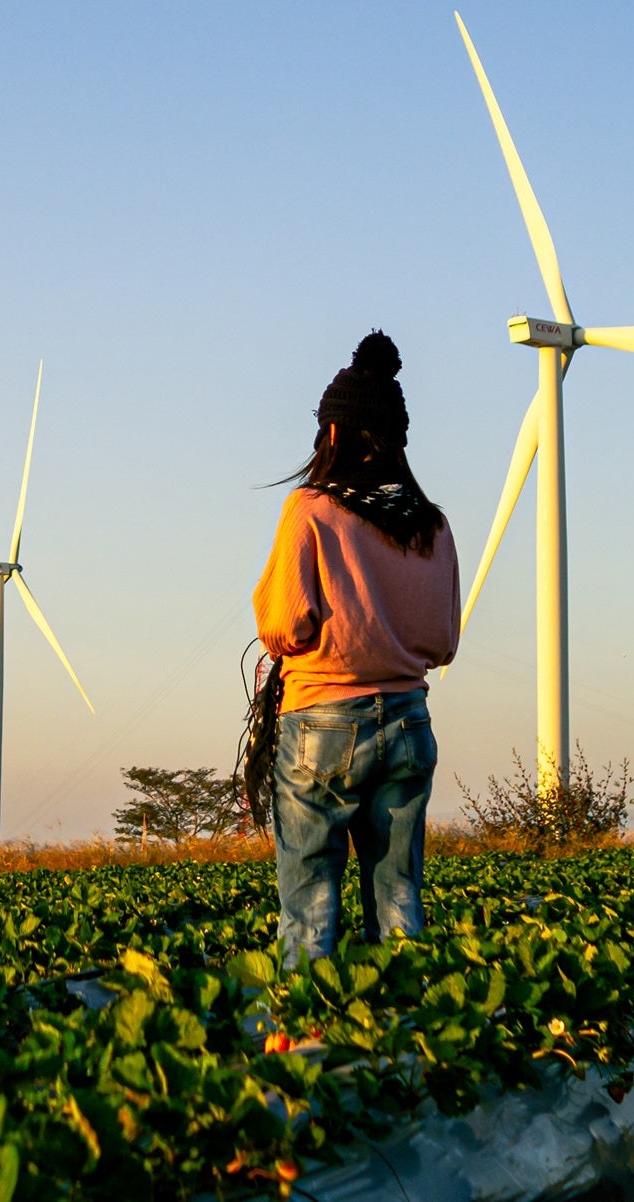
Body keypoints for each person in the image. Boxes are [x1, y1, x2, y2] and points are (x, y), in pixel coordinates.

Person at [251, 331, 460, 961]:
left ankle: (312, 1046)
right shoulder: (431, 522)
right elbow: (441, 642)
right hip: (407, 723)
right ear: (397, 440)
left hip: (323, 725)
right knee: (399, 898)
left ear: (333, 434)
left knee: (311, 907)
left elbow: (283, 625)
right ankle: (403, 1041)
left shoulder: (310, 509)